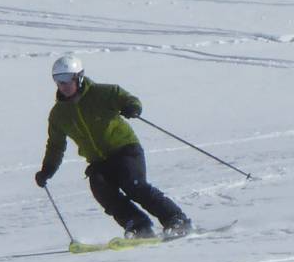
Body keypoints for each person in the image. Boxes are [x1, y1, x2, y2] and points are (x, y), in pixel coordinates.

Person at [34, 55, 192, 239]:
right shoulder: (58, 114)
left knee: (133, 184)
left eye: (68, 79)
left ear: (79, 77)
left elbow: (125, 97)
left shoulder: (102, 93)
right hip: (99, 161)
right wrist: (47, 170)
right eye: (59, 80)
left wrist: (131, 107)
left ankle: (175, 218)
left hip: (124, 149)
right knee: (101, 188)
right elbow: (55, 145)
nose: (64, 85)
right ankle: (138, 225)